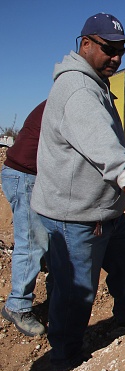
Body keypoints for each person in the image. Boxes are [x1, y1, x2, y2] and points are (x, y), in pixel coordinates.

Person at [30, 13, 125, 371]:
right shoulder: (78, 88)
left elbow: (92, 141)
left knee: (124, 251)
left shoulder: (95, 83)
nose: (117, 57)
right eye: (109, 49)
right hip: (78, 215)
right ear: (85, 43)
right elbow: (99, 140)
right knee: (77, 292)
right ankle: (66, 358)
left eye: (120, 50)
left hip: (101, 208)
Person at [1, 101, 48, 337]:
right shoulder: (71, 100)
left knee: (43, 237)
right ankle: (17, 305)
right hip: (26, 175)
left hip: (26, 174)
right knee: (32, 242)